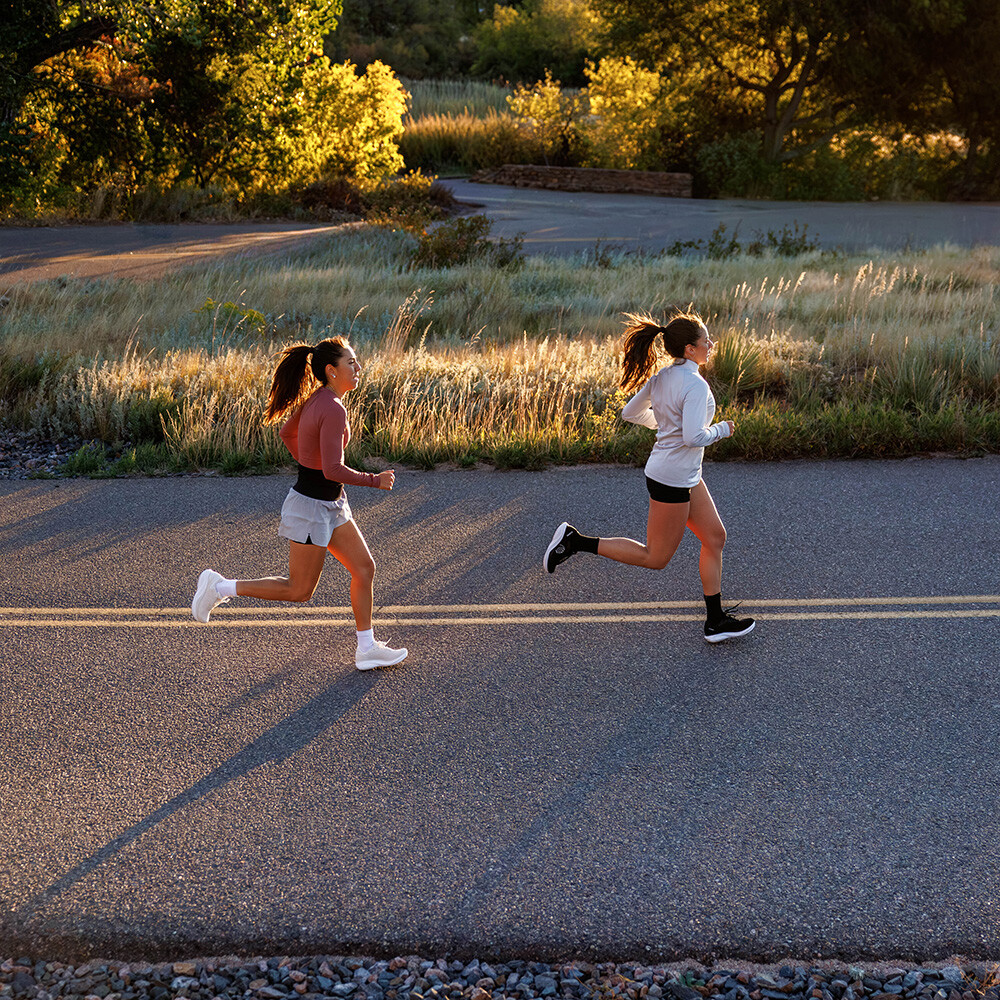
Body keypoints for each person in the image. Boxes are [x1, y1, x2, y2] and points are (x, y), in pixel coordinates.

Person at [191, 336, 408, 670]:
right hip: (310, 508)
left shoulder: (317, 398)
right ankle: (219, 587)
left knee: (364, 568)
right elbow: (333, 467)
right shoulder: (332, 408)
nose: (358, 367)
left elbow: (287, 434)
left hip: (332, 504)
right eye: (351, 362)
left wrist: (310, 465)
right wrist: (373, 480)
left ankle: (367, 648)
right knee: (299, 590)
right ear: (331, 371)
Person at [543, 311, 755, 643]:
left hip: (681, 473)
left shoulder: (662, 378)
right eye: (705, 341)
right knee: (654, 557)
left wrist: (665, 425)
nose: (711, 344)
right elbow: (693, 437)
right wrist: (721, 430)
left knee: (715, 537)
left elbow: (631, 413)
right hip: (672, 477)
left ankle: (715, 620)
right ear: (689, 349)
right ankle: (575, 541)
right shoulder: (695, 385)